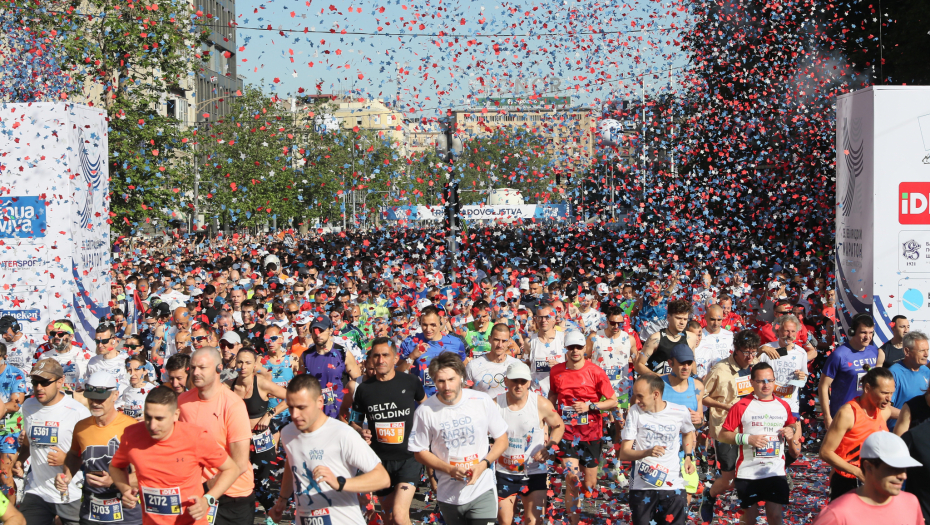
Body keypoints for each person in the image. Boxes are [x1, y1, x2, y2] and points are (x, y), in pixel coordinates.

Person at [269, 375, 390, 525]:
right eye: (291, 407)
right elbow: (293, 461)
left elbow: (383, 478)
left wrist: (340, 483)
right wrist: (282, 499)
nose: (294, 415)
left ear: (320, 402)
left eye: (301, 407)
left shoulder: (342, 433)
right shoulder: (288, 433)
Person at [109, 386, 240, 525]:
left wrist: (208, 500)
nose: (152, 425)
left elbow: (232, 469)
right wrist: (125, 489)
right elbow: (116, 467)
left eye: (160, 419)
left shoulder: (196, 437)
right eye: (148, 417)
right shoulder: (132, 435)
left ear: (176, 415)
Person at [408, 351, 508, 525]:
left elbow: (502, 439)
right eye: (441, 381)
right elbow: (419, 451)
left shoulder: (481, 400)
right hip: (449, 494)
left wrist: (483, 464)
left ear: (461, 377)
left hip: (482, 489)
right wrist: (449, 470)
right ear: (433, 381)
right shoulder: (425, 411)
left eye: (451, 380)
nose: (447, 387)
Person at [349, 338, 425, 525]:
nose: (381, 360)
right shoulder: (363, 389)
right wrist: (360, 431)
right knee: (389, 517)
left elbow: (427, 408)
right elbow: (354, 422)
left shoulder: (410, 382)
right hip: (379, 462)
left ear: (395, 358)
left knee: (399, 514)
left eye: (385, 355)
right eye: (376, 356)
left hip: (409, 458)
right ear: (370, 360)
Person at [178, 348, 255, 525]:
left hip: (233, 497)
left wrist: (210, 491)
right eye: (193, 367)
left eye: (202, 367)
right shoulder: (182, 401)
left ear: (219, 368)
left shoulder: (233, 405)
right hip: (197, 494)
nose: (196, 372)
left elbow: (240, 463)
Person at [549, 330, 618, 525]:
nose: (575, 351)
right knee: (572, 478)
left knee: (589, 484)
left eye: (578, 347)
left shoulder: (595, 371)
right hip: (567, 433)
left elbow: (612, 401)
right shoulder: (556, 371)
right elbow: (553, 395)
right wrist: (549, 417)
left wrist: (591, 406)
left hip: (591, 434)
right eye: (571, 347)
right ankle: (573, 521)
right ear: (566, 349)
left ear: (584, 349)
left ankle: (584, 502)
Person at [57, 371, 142, 525]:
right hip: (92, 512)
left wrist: (113, 481)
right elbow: (74, 455)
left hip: (126, 512)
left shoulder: (131, 427)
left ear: (115, 395)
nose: (95, 403)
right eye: (91, 398)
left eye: (101, 399)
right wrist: (66, 477)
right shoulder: (81, 427)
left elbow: (144, 474)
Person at [718, 362, 798, 525]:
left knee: (775, 517)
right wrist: (748, 439)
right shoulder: (741, 406)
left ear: (775, 381)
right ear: (751, 382)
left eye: (769, 380)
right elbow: (723, 435)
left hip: (774, 470)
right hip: (748, 472)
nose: (766, 385)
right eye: (761, 381)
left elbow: (791, 424)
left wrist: (790, 430)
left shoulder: (783, 405)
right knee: (750, 519)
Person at [15, 359, 91, 525]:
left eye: (45, 382)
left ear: (60, 382)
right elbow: (29, 439)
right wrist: (20, 460)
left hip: (69, 492)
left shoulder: (78, 412)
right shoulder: (28, 406)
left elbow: (92, 456)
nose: (39, 388)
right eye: (35, 382)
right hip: (37, 491)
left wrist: (66, 459)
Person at [699, 329, 759, 524]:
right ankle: (710, 494)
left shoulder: (757, 366)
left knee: (749, 474)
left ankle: (747, 516)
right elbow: (703, 397)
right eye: (746, 352)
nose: (750, 356)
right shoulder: (720, 370)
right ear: (736, 350)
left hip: (751, 428)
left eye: (753, 351)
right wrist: (725, 406)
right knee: (729, 479)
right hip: (726, 429)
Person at [619, 375, 697, 525]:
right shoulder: (635, 412)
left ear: (656, 394)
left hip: (672, 485)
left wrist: (688, 456)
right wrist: (647, 452)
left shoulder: (679, 411)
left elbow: (688, 432)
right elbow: (624, 453)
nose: (636, 401)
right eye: (635, 396)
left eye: (640, 396)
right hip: (642, 487)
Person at [496, 361, 564, 525]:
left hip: (534, 472)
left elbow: (559, 425)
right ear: (506, 381)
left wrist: (550, 447)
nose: (519, 386)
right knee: (505, 522)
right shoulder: (495, 404)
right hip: (505, 472)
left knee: (533, 522)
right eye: (514, 381)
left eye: (523, 381)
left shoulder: (540, 403)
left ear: (529, 382)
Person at [226, 348, 288, 513]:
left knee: (261, 486)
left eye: (248, 363)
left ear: (255, 365)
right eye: (240, 362)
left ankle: (273, 516)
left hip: (261, 441)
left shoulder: (261, 383)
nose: (243, 366)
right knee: (240, 483)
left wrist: (269, 414)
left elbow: (290, 397)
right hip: (239, 442)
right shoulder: (228, 385)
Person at [814, 431, 924, 525]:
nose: (903, 476)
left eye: (904, 469)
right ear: (868, 467)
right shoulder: (837, 514)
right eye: (894, 469)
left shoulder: (911, 503)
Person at [820, 367, 895, 500]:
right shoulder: (848, 413)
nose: (889, 398)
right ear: (867, 388)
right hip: (848, 481)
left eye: (891, 393)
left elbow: (907, 413)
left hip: (874, 480)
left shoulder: (884, 410)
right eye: (884, 393)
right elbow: (825, 452)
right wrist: (858, 472)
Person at [659, 344, 704, 505]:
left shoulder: (697, 386)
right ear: (671, 363)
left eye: (689, 363)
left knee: (686, 493)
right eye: (681, 363)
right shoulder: (659, 385)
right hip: (661, 450)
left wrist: (699, 420)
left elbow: (699, 422)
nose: (686, 367)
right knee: (663, 498)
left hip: (686, 451)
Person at [819, 314, 879, 430]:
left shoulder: (874, 352)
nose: (868, 337)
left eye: (870, 332)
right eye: (863, 332)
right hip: (844, 415)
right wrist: (827, 416)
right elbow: (823, 386)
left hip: (867, 414)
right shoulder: (839, 355)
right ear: (852, 332)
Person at [297, 316, 362, 418]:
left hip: (339, 414)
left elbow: (358, 384)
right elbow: (299, 386)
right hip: (315, 414)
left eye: (321, 330)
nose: (318, 334)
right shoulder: (305, 356)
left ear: (330, 331)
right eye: (315, 331)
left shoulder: (343, 353)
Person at [398, 306, 467, 397]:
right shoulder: (409, 342)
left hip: (448, 400)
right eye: (424, 325)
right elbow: (398, 374)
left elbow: (464, 369)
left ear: (440, 322)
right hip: (421, 402)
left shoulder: (456, 343)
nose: (428, 329)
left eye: (432, 325)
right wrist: (412, 356)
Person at [634, 299, 698, 376]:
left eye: (685, 319)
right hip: (660, 385)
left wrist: (694, 381)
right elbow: (639, 365)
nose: (682, 322)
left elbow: (692, 363)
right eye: (678, 318)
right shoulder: (656, 338)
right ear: (668, 317)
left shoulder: (691, 338)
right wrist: (659, 377)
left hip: (681, 385)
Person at [888, 331, 930, 429]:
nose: (926, 354)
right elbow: (885, 408)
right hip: (900, 434)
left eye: (927, 350)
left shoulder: (926, 371)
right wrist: (910, 414)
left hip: (922, 433)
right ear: (907, 351)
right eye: (921, 351)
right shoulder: (893, 374)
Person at [465, 323, 521, 397]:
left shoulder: (517, 365)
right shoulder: (473, 365)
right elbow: (465, 394)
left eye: (504, 341)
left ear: (509, 342)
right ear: (489, 339)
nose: (500, 345)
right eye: (496, 340)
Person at [523, 305, 566, 397]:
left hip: (560, 394)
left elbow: (573, 367)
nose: (543, 320)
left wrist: (559, 367)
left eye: (547, 317)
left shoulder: (563, 338)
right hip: (537, 396)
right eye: (540, 317)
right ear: (536, 319)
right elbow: (525, 365)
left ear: (554, 319)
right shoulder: (529, 342)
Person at [0, 343, 26, 497]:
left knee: (4, 472)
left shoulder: (15, 374)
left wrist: (2, 408)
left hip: (10, 430)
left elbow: (16, 403)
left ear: (4, 357)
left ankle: (12, 516)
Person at [693, 304, 734, 379]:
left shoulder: (730, 336)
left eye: (719, 320)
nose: (716, 323)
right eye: (712, 319)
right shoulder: (698, 337)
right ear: (705, 317)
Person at [118, 355, 158, 421]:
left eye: (137, 369)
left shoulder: (154, 391)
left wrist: (147, 418)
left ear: (145, 371)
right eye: (129, 370)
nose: (132, 373)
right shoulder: (126, 391)